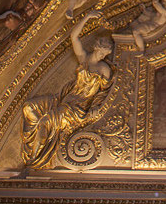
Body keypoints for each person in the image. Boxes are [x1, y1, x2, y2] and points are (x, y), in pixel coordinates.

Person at [21, 11, 113, 169]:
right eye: (101, 52)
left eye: (105, 54)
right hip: (63, 100)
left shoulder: (104, 69)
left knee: (45, 121)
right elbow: (74, 37)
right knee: (29, 107)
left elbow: (105, 92)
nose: (103, 56)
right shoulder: (83, 59)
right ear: (96, 48)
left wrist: (94, 109)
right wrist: (87, 16)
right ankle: (37, 141)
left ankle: (35, 160)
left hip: (76, 109)